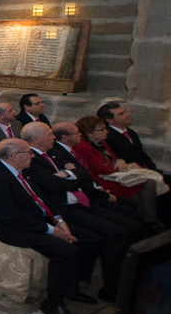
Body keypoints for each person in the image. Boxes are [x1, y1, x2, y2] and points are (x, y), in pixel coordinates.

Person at [0, 140, 101, 314]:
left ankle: (72, 287)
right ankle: (53, 303)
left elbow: (42, 199)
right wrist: (52, 230)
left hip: (39, 219)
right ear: (14, 156)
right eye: (28, 152)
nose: (33, 155)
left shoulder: (24, 170)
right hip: (14, 229)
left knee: (91, 239)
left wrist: (59, 220)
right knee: (66, 251)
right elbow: (10, 217)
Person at [23, 122, 139, 298]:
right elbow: (53, 185)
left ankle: (121, 277)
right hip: (63, 209)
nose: (53, 137)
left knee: (131, 225)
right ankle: (110, 288)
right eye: (49, 134)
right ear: (35, 139)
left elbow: (83, 173)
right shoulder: (31, 160)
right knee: (115, 234)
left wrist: (66, 175)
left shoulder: (53, 152)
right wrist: (69, 176)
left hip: (80, 201)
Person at [72, 116, 160, 225]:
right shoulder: (82, 147)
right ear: (90, 133)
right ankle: (146, 222)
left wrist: (120, 161)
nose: (106, 131)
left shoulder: (102, 142)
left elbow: (114, 159)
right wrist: (126, 167)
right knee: (139, 195)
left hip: (115, 176)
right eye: (102, 129)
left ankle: (149, 221)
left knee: (149, 183)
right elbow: (100, 169)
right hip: (103, 180)